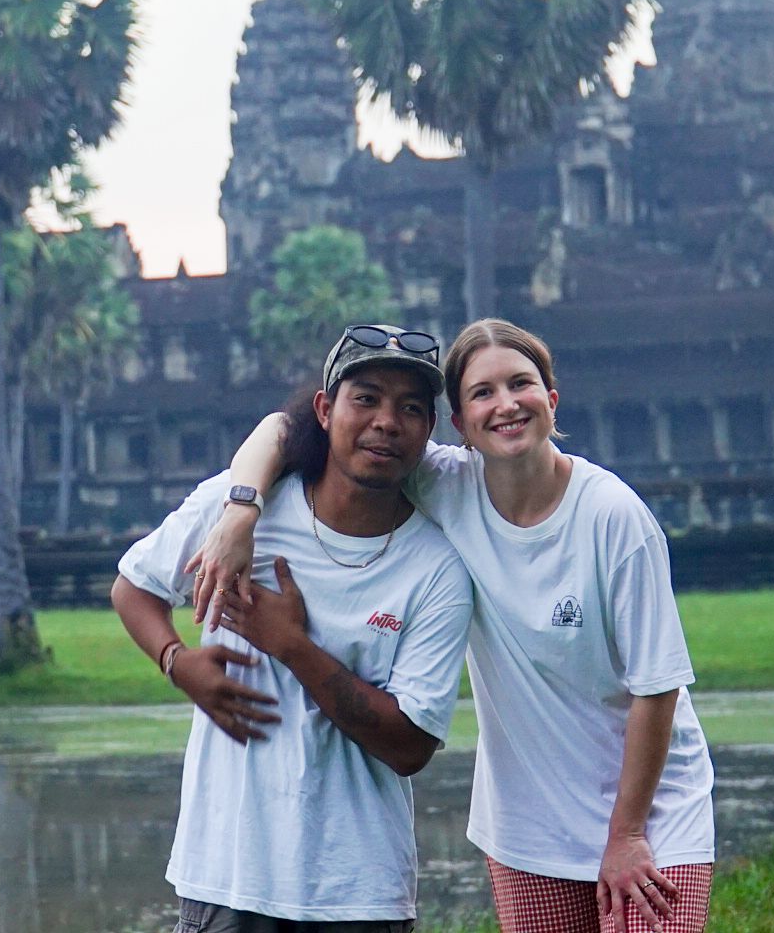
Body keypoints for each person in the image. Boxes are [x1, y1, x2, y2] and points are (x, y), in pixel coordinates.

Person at [193, 319, 715, 933]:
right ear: (461, 426)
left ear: (551, 399)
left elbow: (657, 687)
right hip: (531, 820)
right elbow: (286, 429)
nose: (506, 405)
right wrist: (239, 511)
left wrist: (627, 834)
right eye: (482, 394)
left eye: (521, 384)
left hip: (651, 811)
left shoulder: (613, 517)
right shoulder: (444, 483)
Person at [112, 323, 474, 932]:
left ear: (428, 433)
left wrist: (290, 644)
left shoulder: (436, 568)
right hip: (228, 872)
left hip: (357, 890)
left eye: (411, 408)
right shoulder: (238, 512)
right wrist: (178, 662)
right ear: (325, 410)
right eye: (366, 399)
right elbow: (134, 586)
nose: (387, 421)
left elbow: (410, 746)